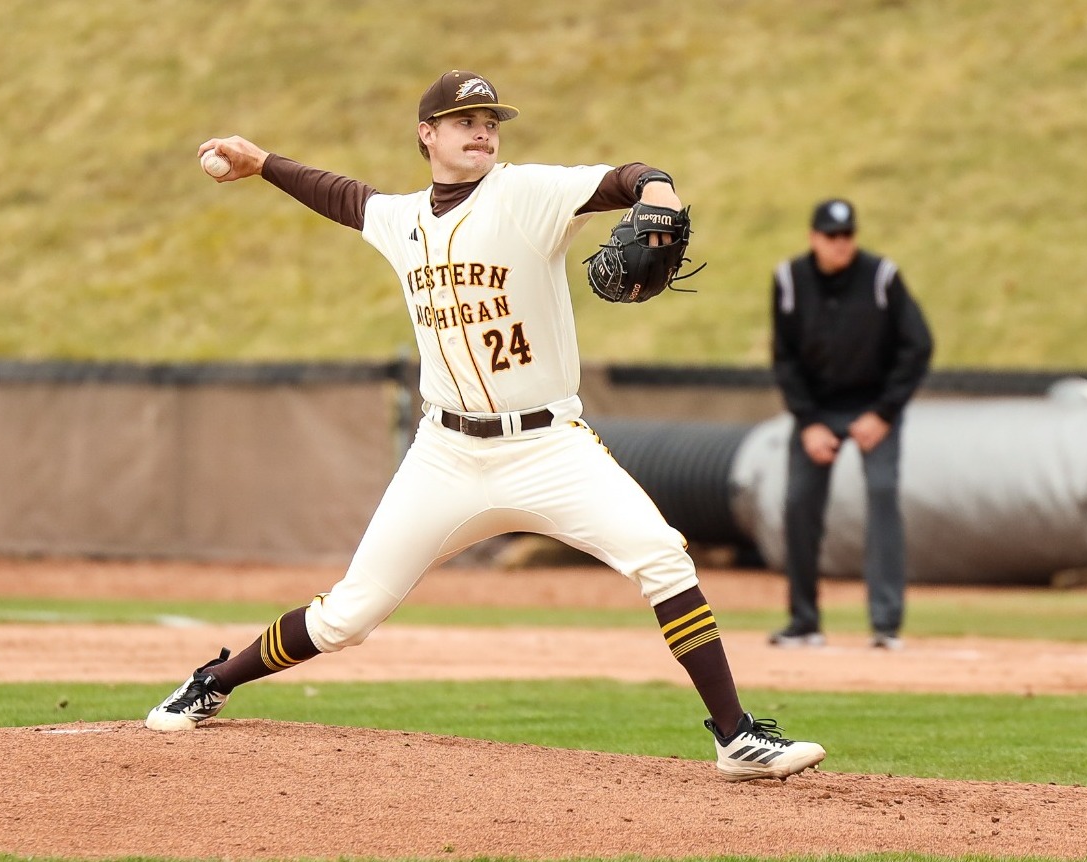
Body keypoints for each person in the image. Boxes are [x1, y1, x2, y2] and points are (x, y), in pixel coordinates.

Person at [146, 69, 826, 782]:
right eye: (464, 119)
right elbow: (344, 197)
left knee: (662, 557)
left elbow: (622, 179)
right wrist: (262, 165)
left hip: (548, 446)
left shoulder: (528, 194)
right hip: (445, 455)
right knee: (347, 617)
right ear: (426, 135)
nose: (482, 130)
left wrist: (656, 184)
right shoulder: (403, 219)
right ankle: (215, 680)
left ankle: (735, 736)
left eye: (491, 120)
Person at [767, 199, 934, 651]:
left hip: (874, 406)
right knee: (798, 501)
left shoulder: (882, 277)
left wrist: (883, 413)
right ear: (814, 237)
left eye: (847, 235)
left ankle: (886, 624)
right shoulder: (789, 280)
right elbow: (785, 359)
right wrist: (808, 421)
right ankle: (804, 621)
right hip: (817, 412)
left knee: (882, 493)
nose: (841, 244)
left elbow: (917, 345)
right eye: (831, 236)